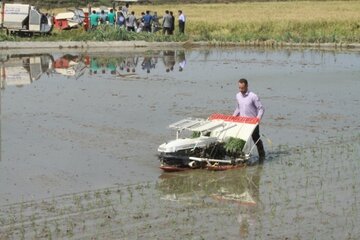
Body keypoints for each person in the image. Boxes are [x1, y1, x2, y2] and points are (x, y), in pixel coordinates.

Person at [233, 78, 265, 162]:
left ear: (247, 86)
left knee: (256, 139)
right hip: (242, 122)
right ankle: (241, 157)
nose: (241, 90)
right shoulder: (238, 95)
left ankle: (262, 156)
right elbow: (238, 108)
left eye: (242, 88)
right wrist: (233, 117)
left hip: (252, 123)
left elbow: (261, 109)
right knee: (241, 140)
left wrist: (257, 119)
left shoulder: (253, 96)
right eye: (239, 88)